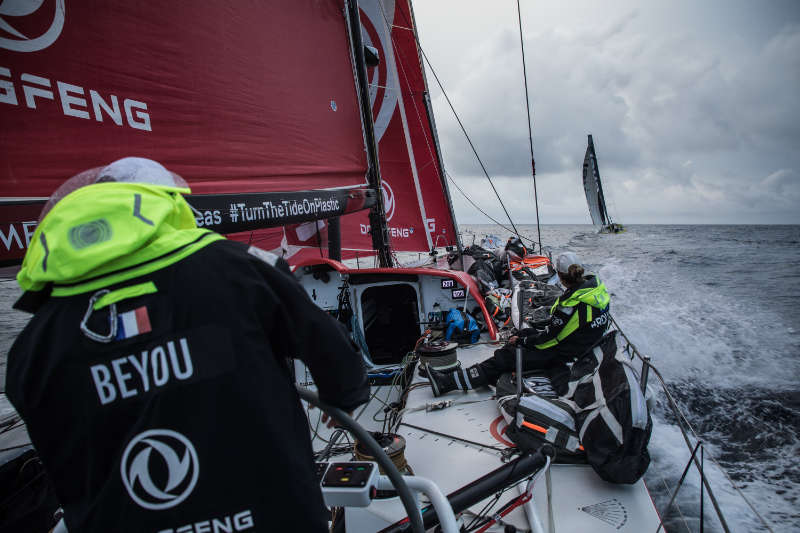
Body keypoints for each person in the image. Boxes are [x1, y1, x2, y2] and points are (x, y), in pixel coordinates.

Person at [6, 158, 369, 533]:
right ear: (168, 205)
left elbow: (61, 464)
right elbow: (332, 351)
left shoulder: (33, 348)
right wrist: (344, 396)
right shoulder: (240, 268)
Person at [428, 251, 610, 397]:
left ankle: (446, 383)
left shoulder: (569, 305)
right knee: (524, 334)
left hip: (565, 353)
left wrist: (522, 342)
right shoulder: (594, 291)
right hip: (582, 345)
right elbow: (564, 329)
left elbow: (549, 340)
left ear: (561, 277)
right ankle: (490, 373)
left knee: (507, 355)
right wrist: (525, 337)